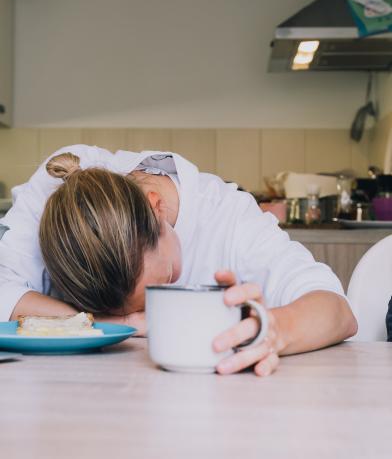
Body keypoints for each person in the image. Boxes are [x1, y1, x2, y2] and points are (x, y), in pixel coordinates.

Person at [0, 145, 357, 375]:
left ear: (158, 209)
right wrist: (123, 322)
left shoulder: (228, 217)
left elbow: (336, 311)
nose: (145, 314)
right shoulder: (57, 187)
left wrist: (275, 330)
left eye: (168, 278)